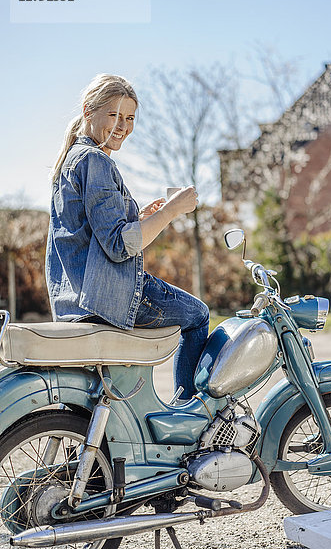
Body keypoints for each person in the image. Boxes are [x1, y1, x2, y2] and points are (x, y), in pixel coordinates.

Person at [45, 73, 209, 402]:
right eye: (114, 115)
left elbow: (92, 233)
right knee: (198, 315)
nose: (122, 126)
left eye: (130, 118)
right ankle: (188, 412)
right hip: (107, 298)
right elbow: (120, 246)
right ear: (89, 110)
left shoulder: (71, 159)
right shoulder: (95, 161)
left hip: (74, 299)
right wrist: (172, 211)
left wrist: (140, 216)